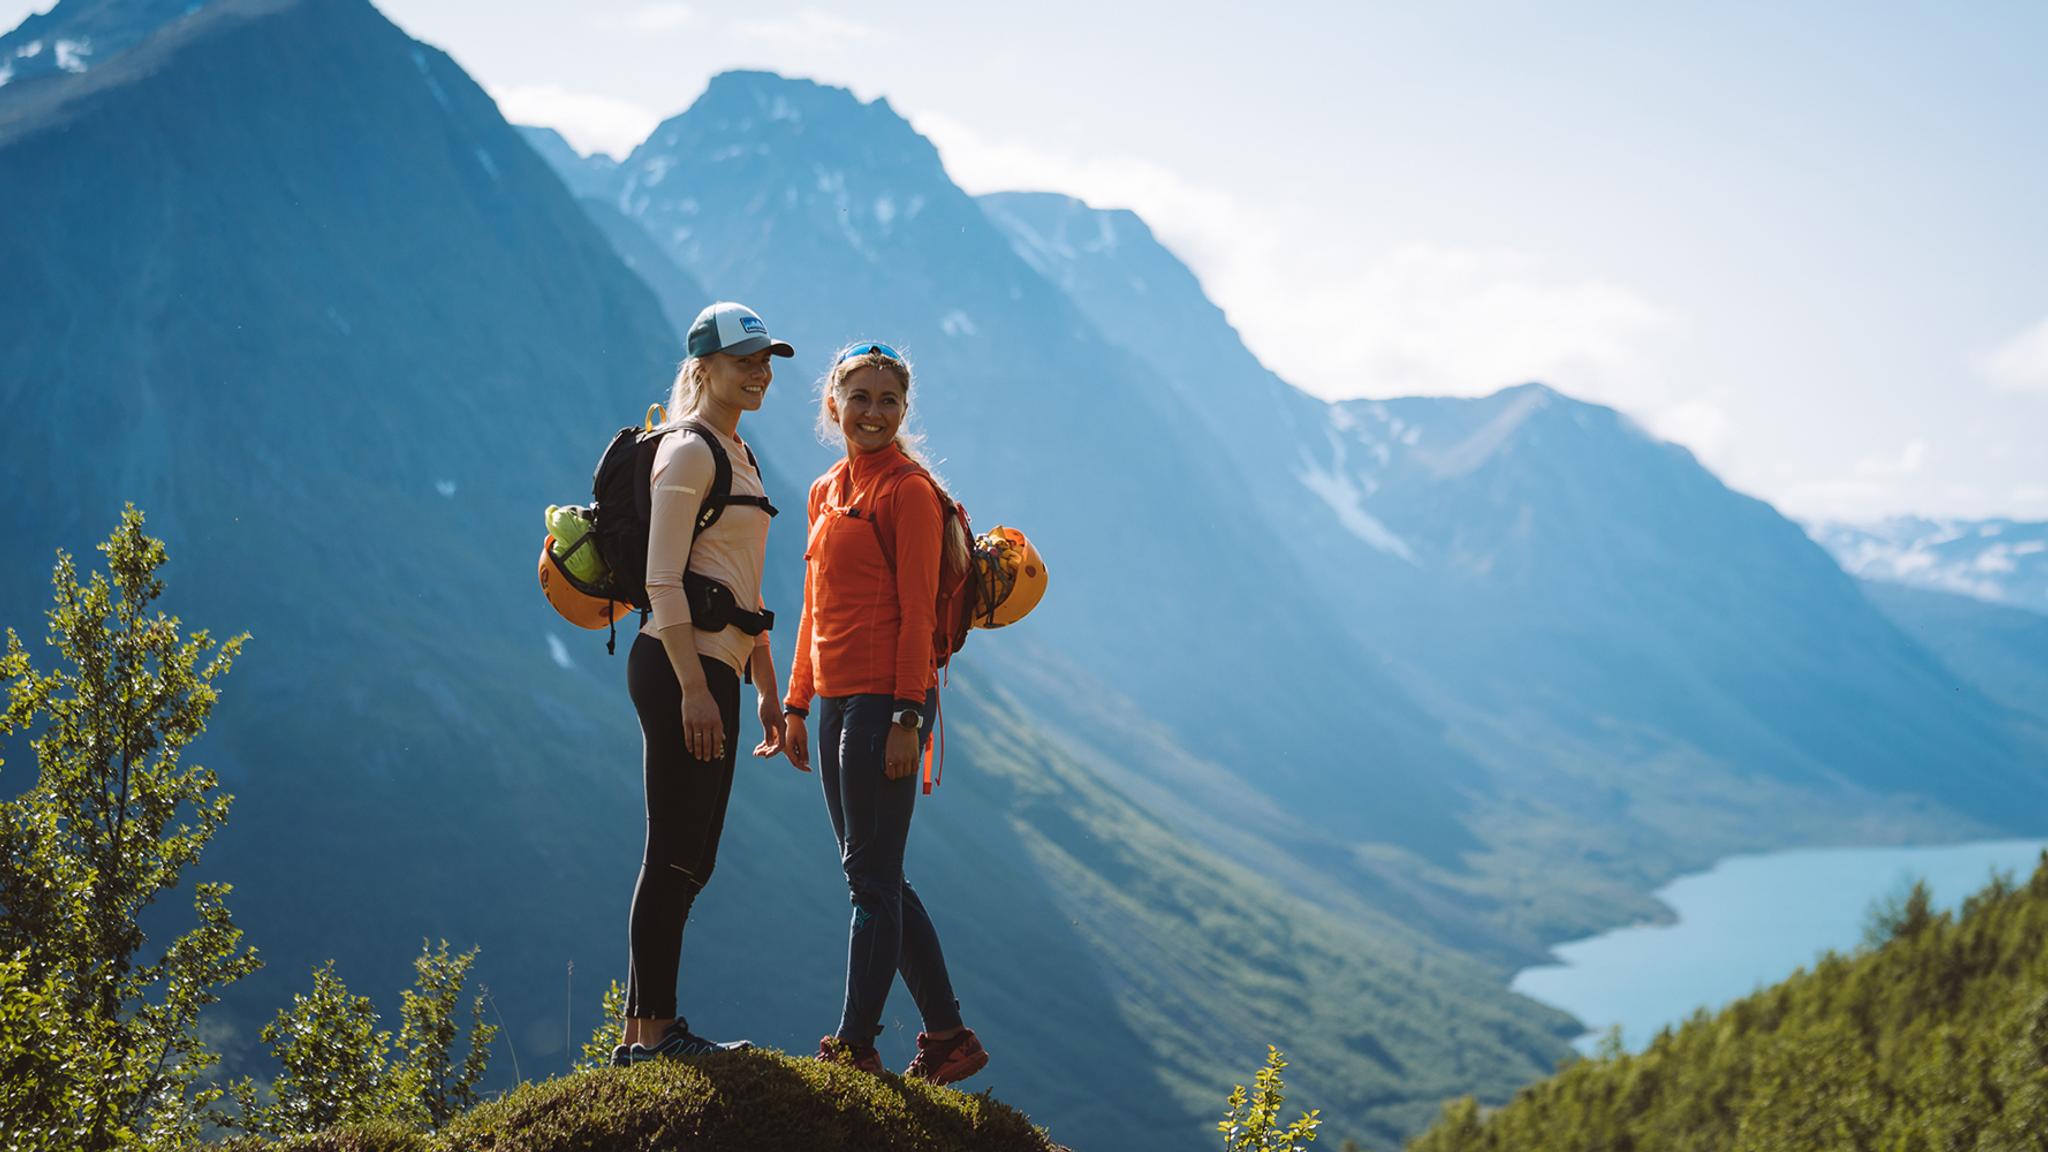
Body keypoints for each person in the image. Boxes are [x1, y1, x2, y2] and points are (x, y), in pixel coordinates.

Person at [779, 342, 990, 1085]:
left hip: (886, 704)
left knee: (870, 882)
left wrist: (907, 717)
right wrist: (798, 703)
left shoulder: (908, 491)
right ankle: (948, 1037)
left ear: (905, 410)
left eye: (887, 400)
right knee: (878, 879)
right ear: (832, 405)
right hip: (834, 703)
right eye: (858, 397)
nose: (872, 412)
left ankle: (853, 1048)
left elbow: (913, 613)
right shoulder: (823, 490)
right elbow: (813, 607)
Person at [617, 302, 796, 1063]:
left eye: (766, 360)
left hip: (715, 669)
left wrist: (765, 688)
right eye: (745, 359)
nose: (760, 372)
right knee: (674, 854)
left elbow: (743, 589)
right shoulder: (689, 452)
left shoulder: (740, 453)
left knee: (695, 856)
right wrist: (694, 686)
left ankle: (639, 1031)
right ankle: (657, 1033)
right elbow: (664, 580)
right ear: (703, 368)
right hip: (675, 663)